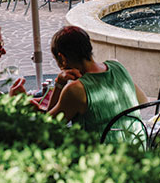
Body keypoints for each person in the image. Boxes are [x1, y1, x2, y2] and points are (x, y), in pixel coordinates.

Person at [9, 26, 148, 136]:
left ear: (62, 58)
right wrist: (59, 83)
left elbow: (48, 127)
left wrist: (27, 107)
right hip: (138, 145)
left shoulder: (77, 90)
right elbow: (143, 101)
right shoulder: (117, 66)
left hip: (102, 157)